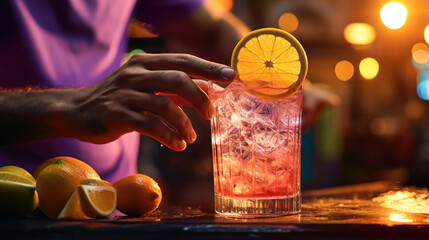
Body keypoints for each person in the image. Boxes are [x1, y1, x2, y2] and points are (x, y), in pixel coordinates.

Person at [0, 0, 336, 183]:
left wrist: (289, 84)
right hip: (11, 199)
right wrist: (69, 106)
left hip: (115, 198)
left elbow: (211, 31)